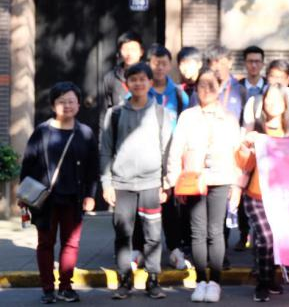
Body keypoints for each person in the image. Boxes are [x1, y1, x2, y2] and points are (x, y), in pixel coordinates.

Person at [165, 67, 249, 303]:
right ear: (196, 87)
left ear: (220, 88)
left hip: (221, 179)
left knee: (216, 231)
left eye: (212, 85)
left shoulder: (228, 118)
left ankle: (215, 282)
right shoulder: (187, 116)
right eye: (202, 84)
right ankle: (201, 280)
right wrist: (174, 180)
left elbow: (237, 155)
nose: (207, 89)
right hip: (194, 180)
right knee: (197, 232)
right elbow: (175, 150)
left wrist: (237, 186)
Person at [100, 63, 175, 300]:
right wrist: (106, 183)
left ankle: (153, 280)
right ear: (127, 84)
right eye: (133, 79)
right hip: (122, 184)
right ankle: (125, 280)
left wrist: (167, 183)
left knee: (153, 235)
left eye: (143, 79)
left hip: (152, 184)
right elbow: (105, 150)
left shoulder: (161, 113)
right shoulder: (115, 114)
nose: (138, 83)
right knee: (123, 234)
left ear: (150, 82)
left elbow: (168, 150)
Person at [20, 82, 98, 304]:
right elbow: (28, 164)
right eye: (62, 101)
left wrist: (91, 195)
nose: (67, 105)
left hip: (74, 198)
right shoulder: (42, 131)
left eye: (71, 101)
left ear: (79, 104)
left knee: (70, 244)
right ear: (53, 105)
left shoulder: (85, 133)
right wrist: (23, 195)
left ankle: (65, 287)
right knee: (45, 244)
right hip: (45, 200)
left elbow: (93, 167)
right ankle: (47, 289)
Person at [131, 44, 190, 271]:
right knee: (141, 205)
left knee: (170, 206)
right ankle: (137, 249)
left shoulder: (179, 94)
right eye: (155, 63)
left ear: (169, 65)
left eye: (164, 63)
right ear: (148, 64)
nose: (159, 68)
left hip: (171, 156)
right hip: (143, 157)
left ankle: (175, 248)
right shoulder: (138, 92)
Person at [236, 84, 289, 302]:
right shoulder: (256, 131)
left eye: (278, 100)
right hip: (256, 195)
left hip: (281, 197)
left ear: (285, 105)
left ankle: (270, 279)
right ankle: (262, 282)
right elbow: (243, 163)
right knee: (266, 237)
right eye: (268, 99)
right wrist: (245, 146)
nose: (272, 104)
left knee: (275, 239)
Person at [243, 59, 289, 132]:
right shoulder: (255, 102)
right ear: (267, 77)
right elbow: (246, 131)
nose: (277, 81)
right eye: (273, 76)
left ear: (288, 79)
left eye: (281, 77)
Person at [192, 46, 247, 121]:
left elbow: (247, 119)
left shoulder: (240, 90)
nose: (219, 68)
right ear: (209, 65)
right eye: (215, 64)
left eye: (222, 64)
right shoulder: (200, 90)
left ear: (230, 63)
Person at [103, 31, 144, 109]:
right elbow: (107, 110)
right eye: (125, 49)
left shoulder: (150, 76)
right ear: (120, 51)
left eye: (133, 49)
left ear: (141, 51)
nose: (129, 53)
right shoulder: (111, 78)